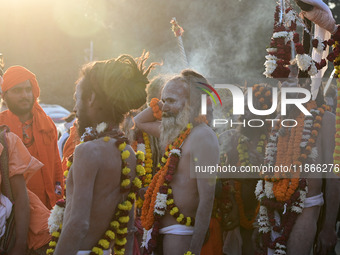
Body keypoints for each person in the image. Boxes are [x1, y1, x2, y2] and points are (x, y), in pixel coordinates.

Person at [53, 53, 156, 255]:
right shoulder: (127, 152)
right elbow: (127, 230)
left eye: (77, 98)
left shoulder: (87, 151)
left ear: (91, 98)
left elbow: (78, 224)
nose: (75, 107)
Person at [135, 69, 219, 255]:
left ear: (193, 103)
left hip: (180, 232)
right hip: (156, 229)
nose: (164, 107)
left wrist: (195, 249)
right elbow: (138, 121)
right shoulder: (176, 134)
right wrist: (161, 103)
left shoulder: (203, 136)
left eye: (171, 100)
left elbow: (207, 198)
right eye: (163, 100)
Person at [218, 84, 275, 255]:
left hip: (266, 211)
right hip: (235, 211)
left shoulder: (275, 139)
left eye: (258, 107)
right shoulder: (231, 138)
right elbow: (222, 175)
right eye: (247, 108)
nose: (250, 113)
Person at [0, 66, 63, 209]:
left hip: (47, 206)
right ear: (4, 95)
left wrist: (59, 198)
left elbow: (56, 166)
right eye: (17, 90)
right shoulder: (1, 125)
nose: (25, 95)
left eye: (28, 90)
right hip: (12, 210)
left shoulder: (47, 124)